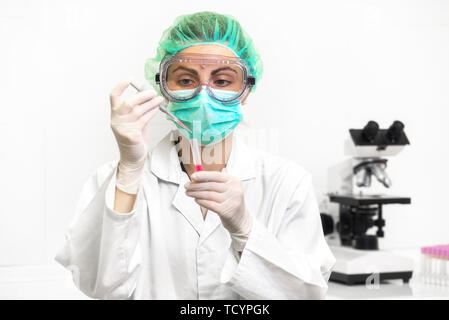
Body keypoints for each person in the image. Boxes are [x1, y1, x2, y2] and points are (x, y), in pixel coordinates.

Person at [55, 11, 336, 300]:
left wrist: (245, 230)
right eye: (186, 80)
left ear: (246, 89)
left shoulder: (286, 182)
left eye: (223, 81)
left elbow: (306, 294)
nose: (204, 96)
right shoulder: (115, 181)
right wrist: (129, 169)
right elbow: (101, 287)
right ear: (163, 89)